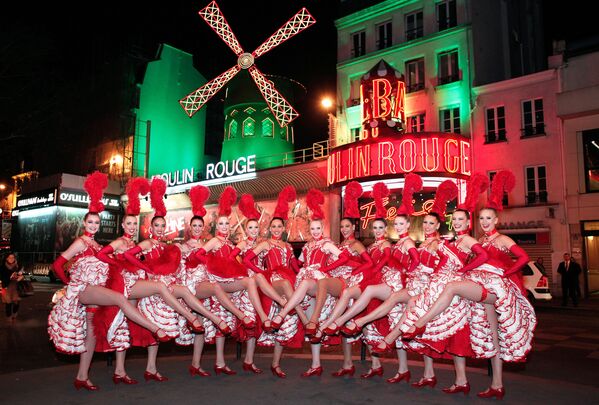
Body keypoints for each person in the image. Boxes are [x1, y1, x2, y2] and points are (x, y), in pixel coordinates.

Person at [48, 172, 169, 391]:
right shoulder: (81, 242)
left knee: (91, 336)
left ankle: (82, 376)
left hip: (96, 292)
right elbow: (56, 265)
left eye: (97, 222)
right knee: (120, 299)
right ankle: (155, 328)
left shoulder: (95, 244)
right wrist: (69, 284)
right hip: (85, 290)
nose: (94, 225)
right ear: (84, 222)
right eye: (91, 222)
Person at [1, 253, 24, 322]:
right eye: (10, 257)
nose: (11, 259)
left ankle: (14, 313)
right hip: (6, 287)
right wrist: (10, 277)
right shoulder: (2, 267)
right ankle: (9, 317)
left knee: (16, 302)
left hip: (16, 286)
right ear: (6, 258)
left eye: (13, 257)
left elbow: (22, 274)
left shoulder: (18, 266)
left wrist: (21, 277)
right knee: (8, 302)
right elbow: (1, 277)